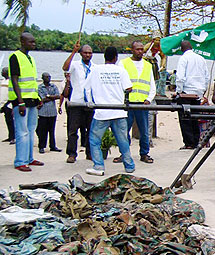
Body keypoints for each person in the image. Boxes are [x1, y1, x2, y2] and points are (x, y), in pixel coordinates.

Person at [83, 46, 135, 176]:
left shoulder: (95, 70)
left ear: (104, 57)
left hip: (102, 112)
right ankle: (129, 166)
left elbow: (86, 88)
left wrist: (90, 101)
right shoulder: (121, 71)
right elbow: (129, 88)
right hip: (118, 111)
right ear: (116, 58)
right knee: (123, 140)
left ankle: (99, 166)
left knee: (95, 140)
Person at [9, 32, 43, 172]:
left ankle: (29, 158)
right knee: (22, 132)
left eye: (34, 42)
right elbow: (15, 80)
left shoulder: (30, 58)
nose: (33, 44)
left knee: (30, 130)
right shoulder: (15, 57)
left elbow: (32, 82)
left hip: (32, 100)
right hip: (21, 101)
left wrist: (38, 98)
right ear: (22, 42)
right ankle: (20, 161)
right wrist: (20, 102)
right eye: (31, 42)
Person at [120, 40, 156, 164]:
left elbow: (152, 85)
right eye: (138, 49)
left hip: (142, 103)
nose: (141, 51)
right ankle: (124, 153)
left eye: (142, 49)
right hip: (128, 102)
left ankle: (144, 153)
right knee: (125, 129)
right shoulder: (123, 63)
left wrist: (149, 99)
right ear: (132, 50)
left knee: (144, 130)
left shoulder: (148, 65)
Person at [62, 42, 94, 163]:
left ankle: (89, 153)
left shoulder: (95, 67)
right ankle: (71, 154)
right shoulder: (75, 65)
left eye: (90, 53)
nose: (88, 55)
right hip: (76, 102)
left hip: (90, 102)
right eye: (85, 52)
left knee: (90, 130)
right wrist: (73, 52)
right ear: (81, 53)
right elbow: (65, 68)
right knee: (73, 130)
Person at [175, 40, 209, 149]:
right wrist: (203, 90)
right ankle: (196, 141)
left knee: (185, 119)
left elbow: (180, 77)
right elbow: (207, 77)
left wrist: (179, 91)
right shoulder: (201, 58)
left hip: (186, 92)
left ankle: (189, 143)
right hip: (198, 92)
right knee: (195, 117)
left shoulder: (183, 58)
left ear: (182, 49)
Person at [36, 72, 61, 154]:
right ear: (42, 78)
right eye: (46, 77)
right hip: (43, 112)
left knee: (52, 130)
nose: (48, 78)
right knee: (42, 131)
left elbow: (58, 96)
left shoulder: (53, 86)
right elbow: (42, 99)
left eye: (49, 77)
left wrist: (49, 96)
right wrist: (51, 97)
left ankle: (53, 146)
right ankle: (42, 146)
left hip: (52, 112)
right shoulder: (40, 87)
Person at [1, 67, 15, 144]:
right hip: (3, 104)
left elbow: (12, 94)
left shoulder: (11, 81)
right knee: (7, 120)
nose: (1, 73)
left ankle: (13, 137)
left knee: (11, 121)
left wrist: (7, 103)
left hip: (9, 104)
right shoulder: (3, 81)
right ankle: (10, 136)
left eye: (2, 72)